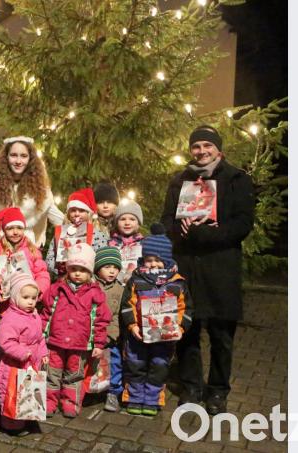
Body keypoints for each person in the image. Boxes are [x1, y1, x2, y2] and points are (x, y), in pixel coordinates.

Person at [160, 125, 254, 415]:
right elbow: (166, 222)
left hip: (221, 267)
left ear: (218, 149)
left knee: (221, 335)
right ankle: (191, 387)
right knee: (187, 331)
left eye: (207, 146)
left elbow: (242, 224)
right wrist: (179, 229)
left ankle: (217, 391)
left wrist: (207, 234)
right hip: (187, 266)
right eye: (196, 146)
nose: (201, 151)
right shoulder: (180, 182)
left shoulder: (237, 179)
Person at [119, 225, 192, 416]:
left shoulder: (177, 282)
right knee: (136, 365)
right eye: (149, 260)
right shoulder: (136, 279)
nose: (153, 264)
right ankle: (135, 397)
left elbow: (186, 309)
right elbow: (127, 304)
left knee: (159, 366)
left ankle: (152, 399)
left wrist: (180, 328)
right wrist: (132, 325)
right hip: (138, 336)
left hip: (165, 337)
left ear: (166, 261)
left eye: (158, 261)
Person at [41, 243, 110, 418]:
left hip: (80, 344)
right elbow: (46, 313)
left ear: (90, 272)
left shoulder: (95, 293)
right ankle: (48, 403)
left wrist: (98, 343)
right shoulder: (57, 289)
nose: (78, 273)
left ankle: (70, 403)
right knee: (52, 374)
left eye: (83, 269)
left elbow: (101, 320)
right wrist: (41, 336)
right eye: (74, 269)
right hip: (55, 341)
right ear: (67, 269)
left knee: (74, 375)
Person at [0, 136, 64, 246]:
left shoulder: (40, 187)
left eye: (24, 156)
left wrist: (79, 226)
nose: (18, 161)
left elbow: (54, 214)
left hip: (27, 247)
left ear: (30, 159)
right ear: (6, 157)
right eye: (13, 155)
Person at [0, 273, 49, 436]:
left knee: (29, 390)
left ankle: (27, 418)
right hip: (14, 363)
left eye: (33, 298)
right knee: (11, 392)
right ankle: (11, 424)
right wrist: (22, 352)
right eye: (25, 297)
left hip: (32, 361)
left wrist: (43, 352)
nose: (30, 302)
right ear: (15, 296)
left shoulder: (34, 315)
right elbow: (5, 340)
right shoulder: (10, 318)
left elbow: (40, 338)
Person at [0, 207, 50, 306]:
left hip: (27, 303)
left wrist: (38, 290)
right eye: (10, 228)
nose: (15, 232)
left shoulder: (32, 250)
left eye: (19, 228)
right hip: (5, 305)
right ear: (4, 230)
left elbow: (42, 273)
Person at [45, 188, 109, 277]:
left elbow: (102, 260)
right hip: (63, 279)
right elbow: (50, 258)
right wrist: (59, 270)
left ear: (89, 213)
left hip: (89, 280)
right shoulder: (60, 233)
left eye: (81, 211)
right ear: (68, 213)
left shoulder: (97, 235)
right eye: (73, 210)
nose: (77, 214)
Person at [94, 246, 125, 412]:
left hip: (110, 337)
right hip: (90, 335)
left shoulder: (119, 290)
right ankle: (86, 390)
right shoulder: (90, 286)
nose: (112, 271)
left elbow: (118, 316)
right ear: (97, 268)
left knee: (115, 363)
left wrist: (110, 335)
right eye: (107, 267)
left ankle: (113, 393)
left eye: (115, 267)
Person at [109, 199, 145, 285]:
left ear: (138, 223)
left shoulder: (144, 244)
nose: (127, 223)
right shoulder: (111, 244)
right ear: (116, 222)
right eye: (123, 219)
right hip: (116, 285)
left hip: (137, 285)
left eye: (132, 219)